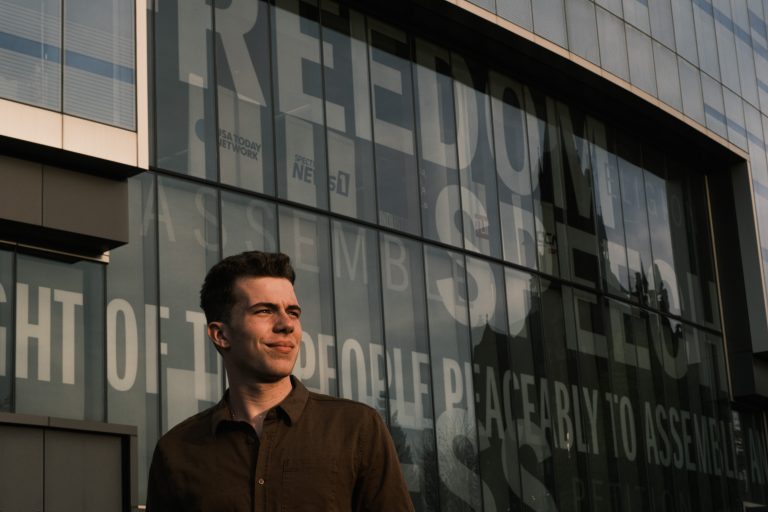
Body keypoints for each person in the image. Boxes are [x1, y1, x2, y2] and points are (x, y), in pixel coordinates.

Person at [146, 250, 414, 511]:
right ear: (220, 335)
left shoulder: (357, 429)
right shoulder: (177, 451)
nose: (286, 324)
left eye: (293, 312)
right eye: (264, 311)